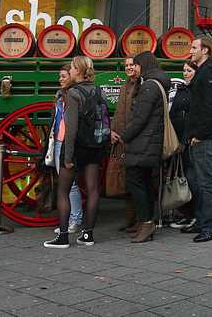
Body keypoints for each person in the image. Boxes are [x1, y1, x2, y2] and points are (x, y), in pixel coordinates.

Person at [44, 56, 104, 248]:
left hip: (77, 147)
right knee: (94, 190)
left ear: (77, 70)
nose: (69, 71)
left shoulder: (73, 93)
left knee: (63, 190)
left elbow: (71, 128)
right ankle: (88, 235)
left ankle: (63, 237)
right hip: (95, 146)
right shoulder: (97, 90)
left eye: (71, 67)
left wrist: (67, 157)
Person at [120, 51, 169, 243]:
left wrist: (125, 136)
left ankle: (147, 221)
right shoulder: (157, 83)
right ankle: (146, 222)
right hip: (149, 140)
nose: (135, 68)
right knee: (145, 182)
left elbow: (140, 118)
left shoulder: (149, 86)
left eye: (137, 65)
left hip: (145, 141)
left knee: (135, 180)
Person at [185, 36, 212, 243]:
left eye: (194, 47)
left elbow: (209, 109)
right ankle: (201, 221)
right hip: (197, 137)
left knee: (207, 183)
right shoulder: (202, 72)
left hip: (205, 139)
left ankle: (210, 226)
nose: (190, 51)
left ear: (205, 50)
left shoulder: (210, 73)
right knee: (199, 182)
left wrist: (198, 134)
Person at [44, 63, 83, 234]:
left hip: (68, 142)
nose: (60, 80)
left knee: (70, 184)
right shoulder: (60, 95)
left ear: (72, 76)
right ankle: (69, 220)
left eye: (64, 76)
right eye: (59, 76)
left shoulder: (74, 96)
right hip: (58, 141)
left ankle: (76, 220)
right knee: (65, 184)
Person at [110, 57, 138, 232]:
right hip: (121, 137)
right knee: (125, 181)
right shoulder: (125, 85)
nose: (129, 68)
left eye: (132, 65)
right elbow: (119, 111)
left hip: (133, 138)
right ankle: (130, 220)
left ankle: (139, 220)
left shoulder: (141, 86)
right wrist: (113, 130)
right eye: (126, 65)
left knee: (135, 181)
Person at [169, 61, 197, 230]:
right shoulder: (181, 89)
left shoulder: (195, 91)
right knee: (181, 177)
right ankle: (185, 213)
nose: (185, 73)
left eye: (189, 70)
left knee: (191, 178)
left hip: (189, 141)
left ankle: (194, 214)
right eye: (184, 70)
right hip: (178, 139)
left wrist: (185, 140)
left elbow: (191, 118)